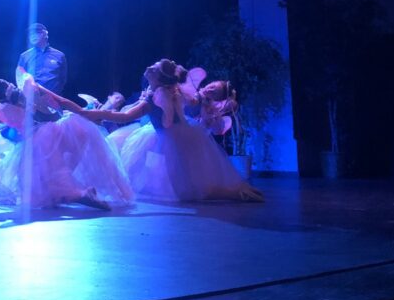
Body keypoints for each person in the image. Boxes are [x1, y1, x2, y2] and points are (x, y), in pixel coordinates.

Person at [86, 59, 262, 203]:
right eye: (212, 86)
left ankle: (236, 192)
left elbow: (173, 116)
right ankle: (113, 184)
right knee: (126, 149)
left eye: (214, 92)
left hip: (178, 135)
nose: (210, 89)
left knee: (190, 189)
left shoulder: (181, 96)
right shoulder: (175, 90)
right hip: (161, 130)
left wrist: (207, 108)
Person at [0, 76, 132, 210]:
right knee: (57, 167)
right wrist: (83, 112)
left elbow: (5, 124)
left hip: (36, 140)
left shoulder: (2, 109)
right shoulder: (28, 88)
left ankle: (77, 193)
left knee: (46, 175)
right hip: (55, 129)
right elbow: (61, 103)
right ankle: (80, 193)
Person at [16, 23, 67, 94]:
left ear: (45, 34)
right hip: (32, 99)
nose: (33, 36)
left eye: (36, 32)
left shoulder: (60, 55)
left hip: (54, 99)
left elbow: (63, 79)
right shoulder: (24, 56)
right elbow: (19, 78)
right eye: (30, 34)